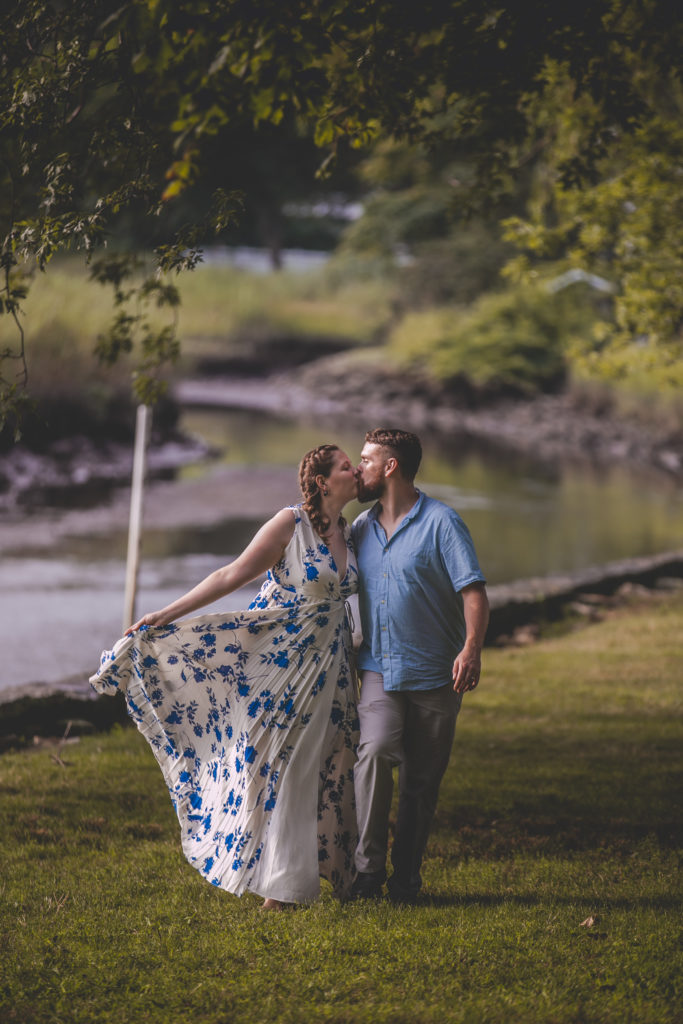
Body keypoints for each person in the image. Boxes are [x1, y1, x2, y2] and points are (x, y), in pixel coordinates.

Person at [90, 444, 360, 910]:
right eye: (345, 466)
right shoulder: (289, 524)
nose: (354, 470)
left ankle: (334, 870)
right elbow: (231, 573)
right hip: (281, 666)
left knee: (327, 763)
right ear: (322, 481)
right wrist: (165, 614)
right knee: (286, 765)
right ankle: (284, 889)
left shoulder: (350, 532)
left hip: (331, 666)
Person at [349, 428, 489, 903]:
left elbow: (473, 593)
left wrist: (470, 648)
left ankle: (405, 881)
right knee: (373, 754)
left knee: (420, 785)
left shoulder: (443, 523)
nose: (358, 467)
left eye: (366, 459)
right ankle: (366, 873)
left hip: (436, 674)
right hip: (377, 671)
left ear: (391, 466)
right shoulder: (359, 530)